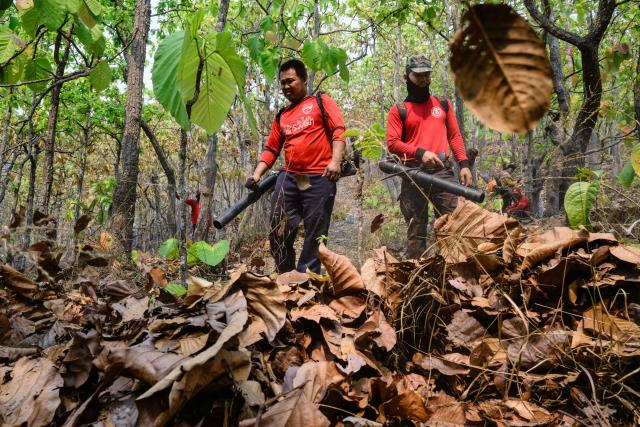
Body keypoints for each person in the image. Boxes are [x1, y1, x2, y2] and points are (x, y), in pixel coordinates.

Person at [246, 59, 346, 273]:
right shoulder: (282, 115)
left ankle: (306, 284)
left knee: (315, 236)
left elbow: (339, 130)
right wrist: (256, 175)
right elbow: (272, 149)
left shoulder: (321, 101)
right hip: (290, 179)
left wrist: (335, 161)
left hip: (320, 178)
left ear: (304, 79)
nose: (286, 87)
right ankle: (286, 277)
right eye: (282, 83)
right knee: (277, 231)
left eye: (290, 81)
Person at [385, 54, 472, 259]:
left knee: (452, 223)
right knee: (416, 231)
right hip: (413, 174)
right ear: (407, 77)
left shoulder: (442, 104)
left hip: (442, 172)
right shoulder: (399, 110)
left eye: (427, 75)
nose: (423, 80)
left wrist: (464, 164)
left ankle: (456, 273)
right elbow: (392, 143)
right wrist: (420, 153)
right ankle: (418, 279)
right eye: (418, 76)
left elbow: (454, 135)